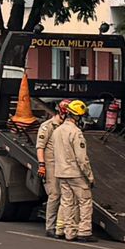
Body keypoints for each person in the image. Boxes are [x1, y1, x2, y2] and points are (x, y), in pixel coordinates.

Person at [51, 100, 96, 242]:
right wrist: (90, 176)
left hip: (61, 172)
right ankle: (84, 231)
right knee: (85, 202)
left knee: (67, 202)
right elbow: (82, 159)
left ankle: (68, 232)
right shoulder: (76, 133)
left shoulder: (57, 131)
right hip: (75, 173)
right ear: (77, 116)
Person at [36, 100, 71, 237]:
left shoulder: (65, 126)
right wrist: (42, 165)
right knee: (54, 194)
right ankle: (50, 227)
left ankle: (61, 226)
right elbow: (40, 147)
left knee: (65, 196)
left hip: (63, 164)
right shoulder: (48, 126)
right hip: (51, 164)